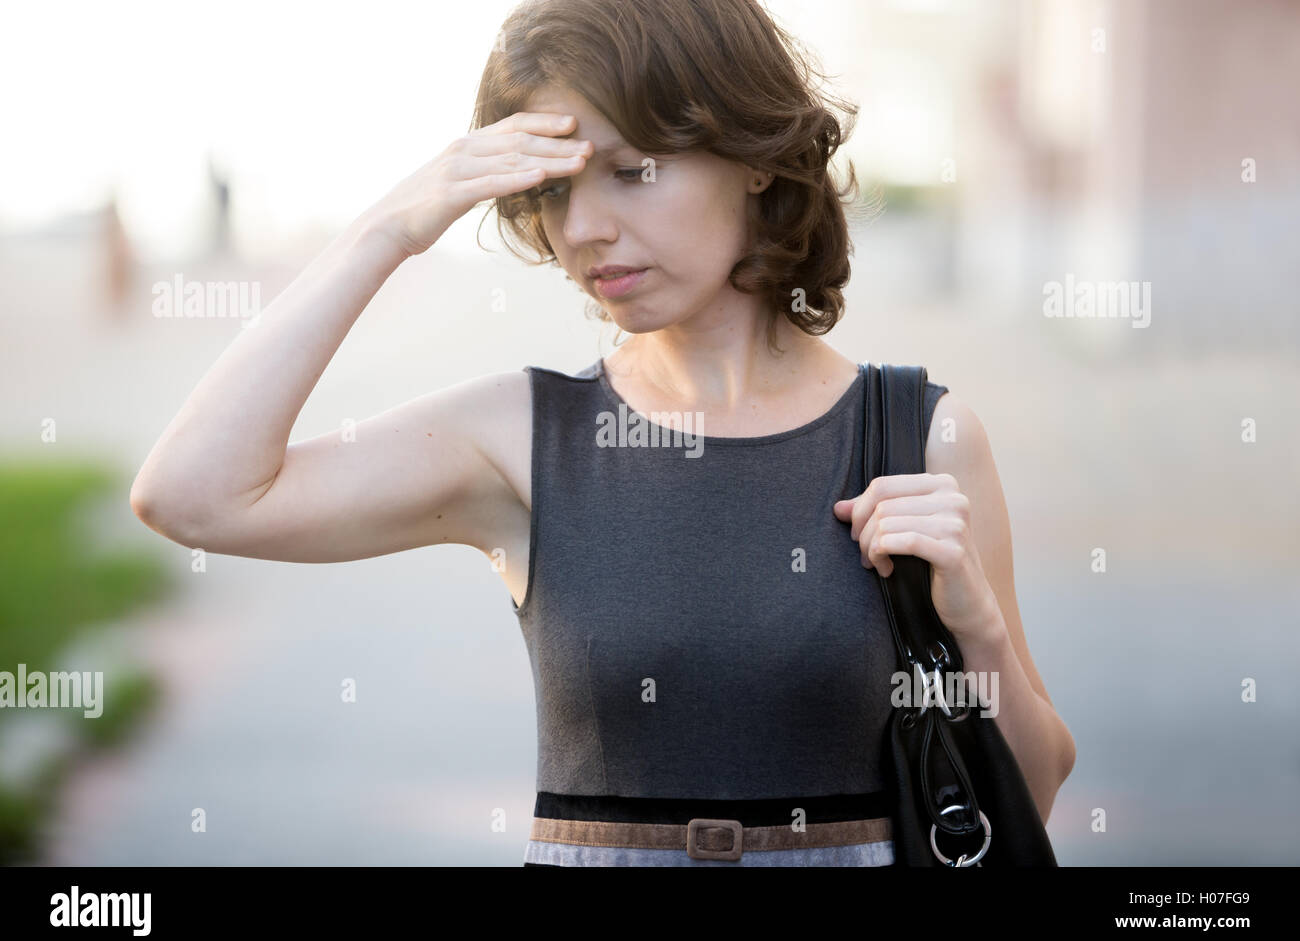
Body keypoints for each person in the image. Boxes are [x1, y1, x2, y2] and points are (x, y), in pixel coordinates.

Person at [130, 0, 1075, 866]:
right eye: (550, 190)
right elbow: (193, 494)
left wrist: (975, 629)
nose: (582, 227)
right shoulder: (521, 438)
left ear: (754, 155)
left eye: (631, 172)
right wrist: (390, 227)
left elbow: (1026, 792)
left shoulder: (920, 435)